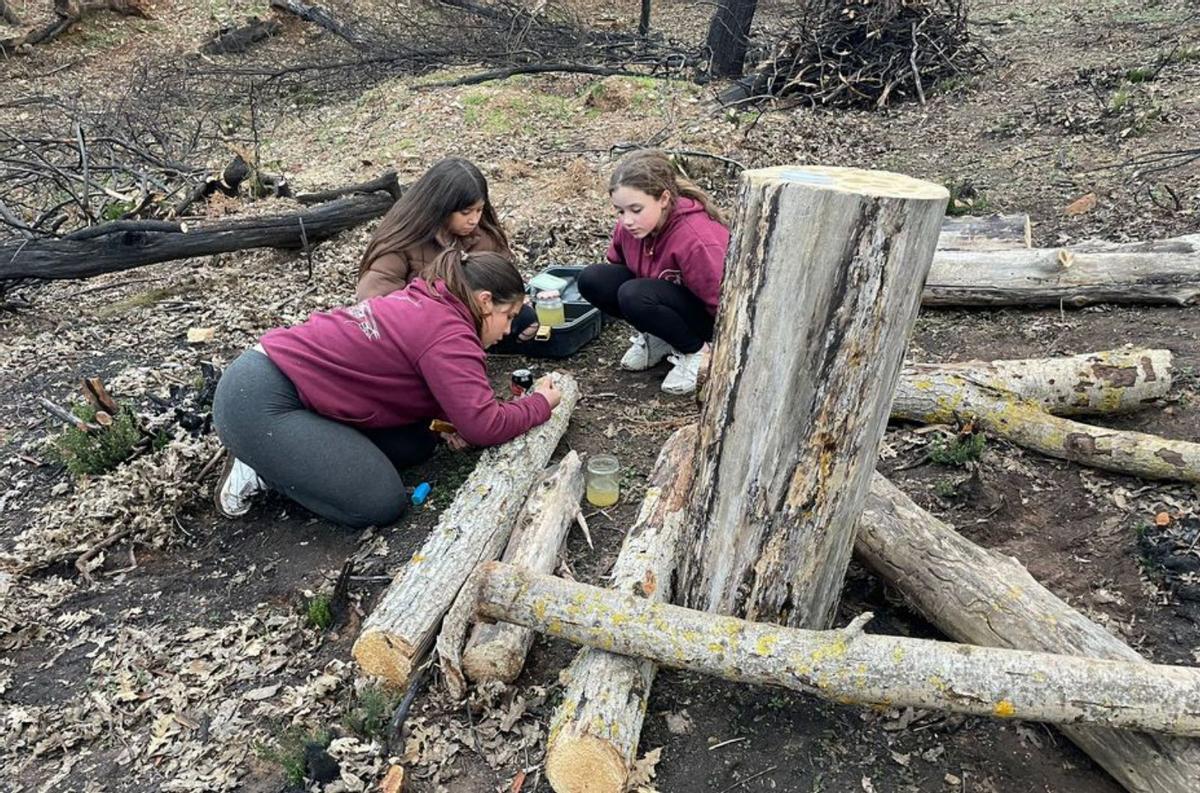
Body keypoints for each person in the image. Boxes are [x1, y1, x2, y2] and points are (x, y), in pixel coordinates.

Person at [212, 249, 562, 528]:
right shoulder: (451, 334)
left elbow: (416, 368)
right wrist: (539, 404)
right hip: (260, 401)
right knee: (379, 503)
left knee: (418, 442)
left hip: (288, 387)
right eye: (510, 316)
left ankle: (287, 450)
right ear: (485, 301)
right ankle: (260, 466)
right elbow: (484, 425)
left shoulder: (435, 301)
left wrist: (449, 417)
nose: (507, 330)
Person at [578, 149, 730, 395]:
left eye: (635, 210)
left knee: (634, 294)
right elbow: (617, 266)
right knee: (592, 279)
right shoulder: (631, 228)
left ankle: (698, 353)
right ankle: (661, 336)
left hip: (709, 316)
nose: (626, 220)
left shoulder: (696, 238)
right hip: (662, 298)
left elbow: (724, 302)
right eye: (620, 211)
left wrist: (728, 345)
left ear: (663, 199)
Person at [356, 157, 538, 342]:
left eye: (479, 210)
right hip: (421, 328)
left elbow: (504, 286)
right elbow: (374, 303)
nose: (474, 220)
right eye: (465, 213)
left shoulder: (483, 235)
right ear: (441, 207)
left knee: (527, 319)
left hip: (475, 318)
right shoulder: (402, 239)